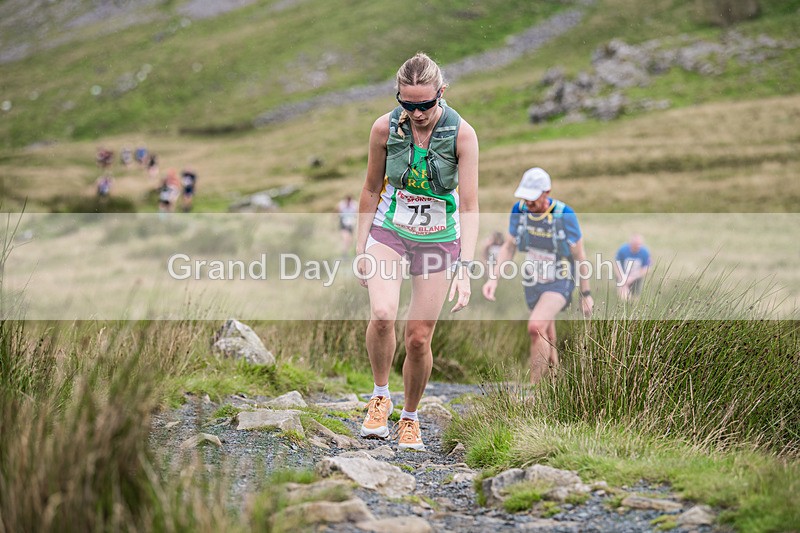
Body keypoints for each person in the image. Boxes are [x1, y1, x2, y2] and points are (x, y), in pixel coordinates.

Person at [356, 52, 479, 450]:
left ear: (441, 92)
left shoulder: (462, 135)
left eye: (425, 104)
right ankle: (379, 397)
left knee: (418, 339)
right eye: (407, 105)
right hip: (390, 230)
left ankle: (409, 417)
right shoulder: (383, 128)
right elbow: (370, 189)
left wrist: (465, 268)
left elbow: (470, 205)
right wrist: (361, 246)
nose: (417, 113)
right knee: (382, 314)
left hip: (438, 238)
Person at [482, 167, 593, 384]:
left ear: (546, 192)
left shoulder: (564, 215)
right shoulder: (519, 211)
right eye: (525, 196)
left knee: (536, 327)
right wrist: (493, 279)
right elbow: (509, 246)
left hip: (560, 280)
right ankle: (555, 386)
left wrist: (585, 294)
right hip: (532, 280)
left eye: (532, 197)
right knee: (548, 336)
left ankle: (534, 389)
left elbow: (580, 256)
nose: (528, 202)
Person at [615, 234, 651, 301]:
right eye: (636, 244)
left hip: (636, 277)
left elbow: (646, 268)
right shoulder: (623, 250)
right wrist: (622, 278)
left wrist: (633, 277)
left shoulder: (645, 252)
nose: (638, 246)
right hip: (623, 275)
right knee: (624, 296)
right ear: (631, 244)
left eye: (640, 244)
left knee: (635, 297)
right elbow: (617, 265)